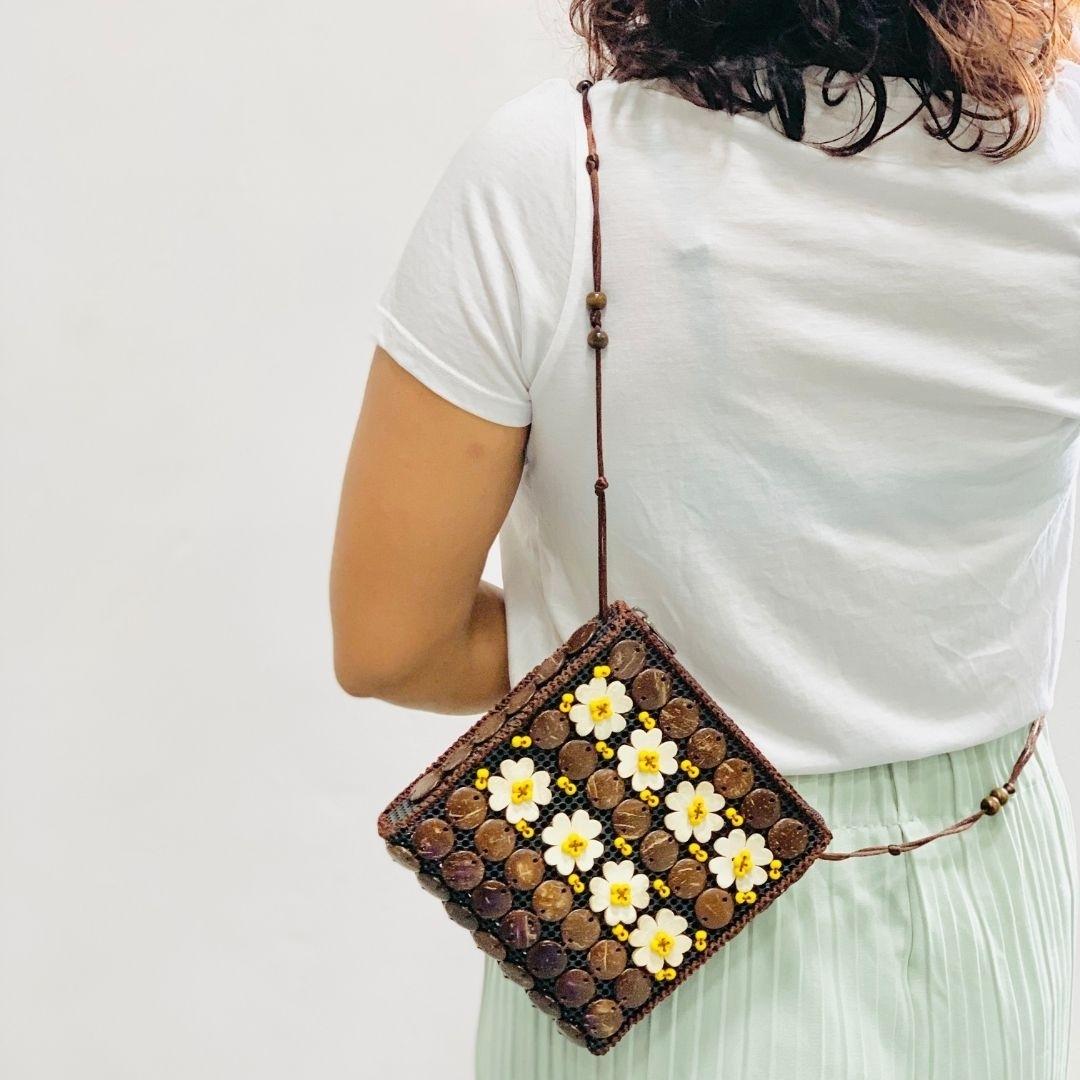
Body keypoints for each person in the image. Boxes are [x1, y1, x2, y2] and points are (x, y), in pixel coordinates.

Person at [331, 2, 1080, 1076]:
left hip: (647, 877)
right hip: (988, 861)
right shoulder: (1061, 164)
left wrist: (668, 672)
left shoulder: (558, 171)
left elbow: (391, 640)